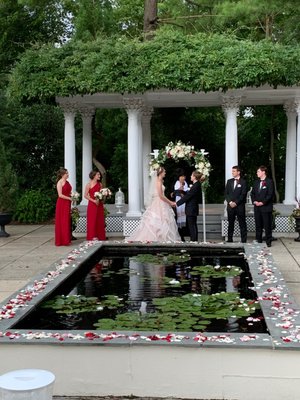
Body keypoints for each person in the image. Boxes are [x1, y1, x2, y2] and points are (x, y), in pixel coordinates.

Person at [128, 166, 181, 242]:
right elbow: (160, 195)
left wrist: (168, 202)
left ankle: (162, 238)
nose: (165, 173)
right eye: (164, 172)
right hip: (158, 202)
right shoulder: (158, 182)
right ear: (161, 173)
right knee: (157, 220)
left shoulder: (160, 181)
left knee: (163, 220)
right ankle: (155, 238)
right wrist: (170, 202)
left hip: (161, 202)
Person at [176, 170, 204, 242]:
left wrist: (177, 203)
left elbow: (188, 196)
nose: (190, 176)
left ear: (194, 177)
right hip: (191, 208)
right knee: (193, 225)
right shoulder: (196, 185)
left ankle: (193, 240)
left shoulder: (196, 185)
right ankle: (194, 240)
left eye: (191, 175)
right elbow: (188, 194)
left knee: (192, 226)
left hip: (191, 208)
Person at [251, 165, 274, 247]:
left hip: (266, 207)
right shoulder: (256, 182)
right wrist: (254, 201)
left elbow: (270, 194)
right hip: (257, 207)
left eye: (258, 171)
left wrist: (262, 202)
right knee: (258, 225)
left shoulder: (269, 182)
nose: (257, 173)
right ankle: (259, 240)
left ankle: (268, 241)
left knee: (267, 225)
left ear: (263, 172)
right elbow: (252, 193)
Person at [225, 165, 248, 243]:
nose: (232, 172)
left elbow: (243, 194)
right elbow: (226, 194)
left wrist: (236, 203)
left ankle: (244, 241)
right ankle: (230, 239)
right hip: (230, 206)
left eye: (234, 171)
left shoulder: (243, 182)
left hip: (240, 206)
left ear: (238, 172)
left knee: (242, 223)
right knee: (230, 223)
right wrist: (230, 202)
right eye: (232, 171)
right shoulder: (229, 181)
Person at [84, 170, 106, 241]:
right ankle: (92, 236)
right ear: (94, 176)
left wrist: (105, 194)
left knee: (100, 220)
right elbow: (85, 195)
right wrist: (93, 200)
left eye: (99, 175)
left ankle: (100, 236)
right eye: (98, 175)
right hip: (92, 204)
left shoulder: (100, 184)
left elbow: (101, 194)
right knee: (92, 220)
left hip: (99, 204)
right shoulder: (88, 184)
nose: (99, 176)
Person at [55, 167, 72, 246]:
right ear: (62, 174)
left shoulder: (67, 182)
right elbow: (60, 195)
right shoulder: (60, 182)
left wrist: (73, 196)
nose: (68, 174)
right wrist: (69, 198)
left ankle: (66, 239)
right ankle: (61, 240)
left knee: (66, 221)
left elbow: (69, 192)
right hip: (62, 203)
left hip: (67, 203)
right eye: (66, 173)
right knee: (62, 221)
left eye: (67, 173)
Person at [173, 170, 189, 241]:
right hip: (178, 200)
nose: (183, 178)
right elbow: (176, 191)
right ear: (179, 177)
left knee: (184, 215)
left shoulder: (186, 183)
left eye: (184, 176)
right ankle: (180, 234)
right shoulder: (177, 183)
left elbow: (186, 191)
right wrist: (181, 188)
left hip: (184, 201)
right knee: (178, 216)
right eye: (181, 176)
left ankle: (184, 232)